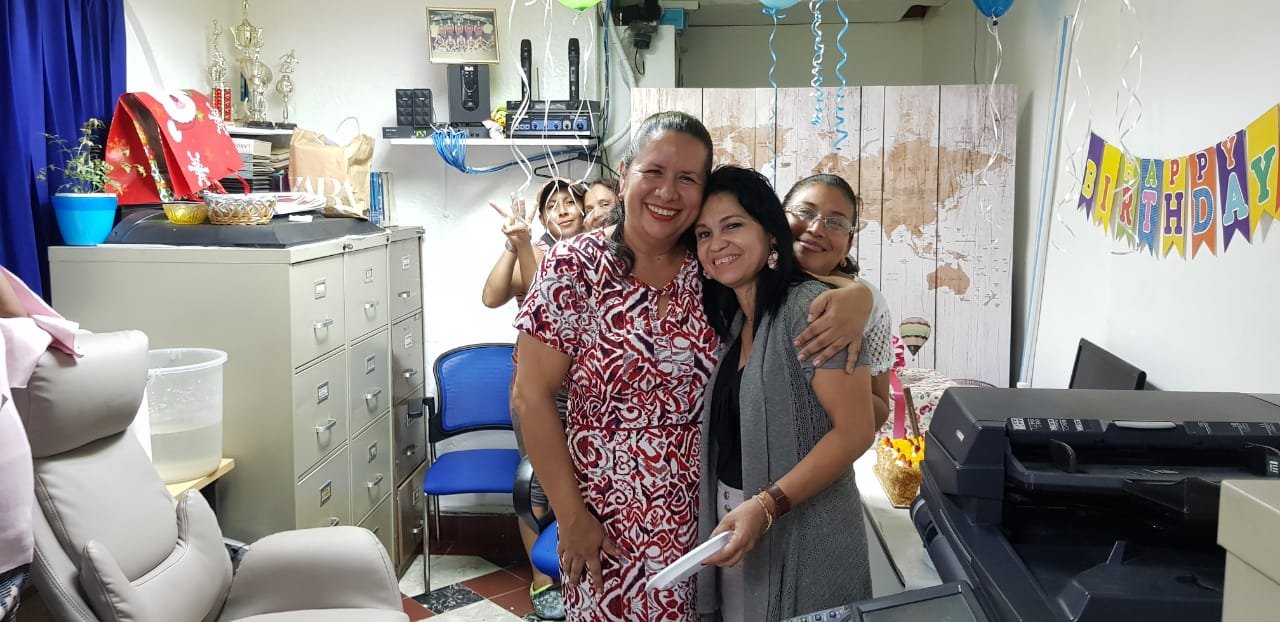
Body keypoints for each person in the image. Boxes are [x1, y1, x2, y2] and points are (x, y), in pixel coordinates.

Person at [510, 111, 872, 621]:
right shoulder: (574, 266)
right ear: (624, 172)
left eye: (687, 178)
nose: (668, 191)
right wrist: (570, 516)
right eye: (654, 172)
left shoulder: (708, 267)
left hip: (704, 518)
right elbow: (529, 396)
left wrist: (859, 296)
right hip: (602, 520)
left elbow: (791, 281)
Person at [694, 166, 879, 620]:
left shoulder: (811, 309)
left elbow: (856, 430)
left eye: (733, 225)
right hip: (738, 523)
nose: (717, 243)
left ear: (771, 233)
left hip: (807, 537)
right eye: (704, 234)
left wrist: (765, 506)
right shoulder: (735, 320)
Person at [782, 174, 898, 429]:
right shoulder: (748, 281)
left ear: (847, 246)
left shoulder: (872, 306)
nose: (816, 229)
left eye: (835, 223)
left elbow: (879, 410)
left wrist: (833, 382)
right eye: (805, 212)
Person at [481, 177, 588, 309]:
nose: (562, 211)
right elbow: (491, 299)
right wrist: (514, 244)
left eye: (570, 202)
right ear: (542, 219)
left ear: (584, 208)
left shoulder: (595, 248)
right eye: (552, 206)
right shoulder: (537, 254)